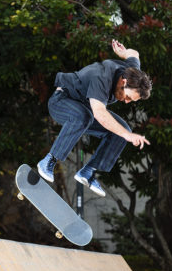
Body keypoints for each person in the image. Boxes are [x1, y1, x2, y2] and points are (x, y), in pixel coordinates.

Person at [37, 39, 152, 197]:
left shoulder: (132, 73)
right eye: (128, 97)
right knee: (83, 117)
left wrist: (124, 53)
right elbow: (100, 114)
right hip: (62, 102)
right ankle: (49, 160)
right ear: (124, 82)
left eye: (131, 100)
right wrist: (128, 136)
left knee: (122, 130)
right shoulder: (102, 77)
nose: (126, 101)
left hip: (85, 109)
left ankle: (88, 172)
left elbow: (134, 54)